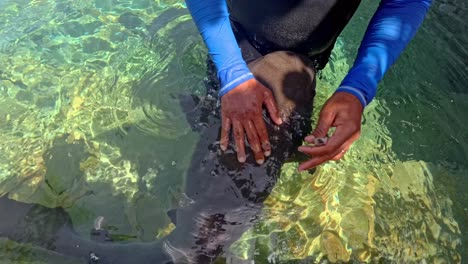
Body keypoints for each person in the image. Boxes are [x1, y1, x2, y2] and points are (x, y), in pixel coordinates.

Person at [185, 0, 432, 171]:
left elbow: (406, 2)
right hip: (235, 36)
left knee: (254, 150)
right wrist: (231, 70)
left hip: (309, 59)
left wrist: (358, 87)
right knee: (226, 143)